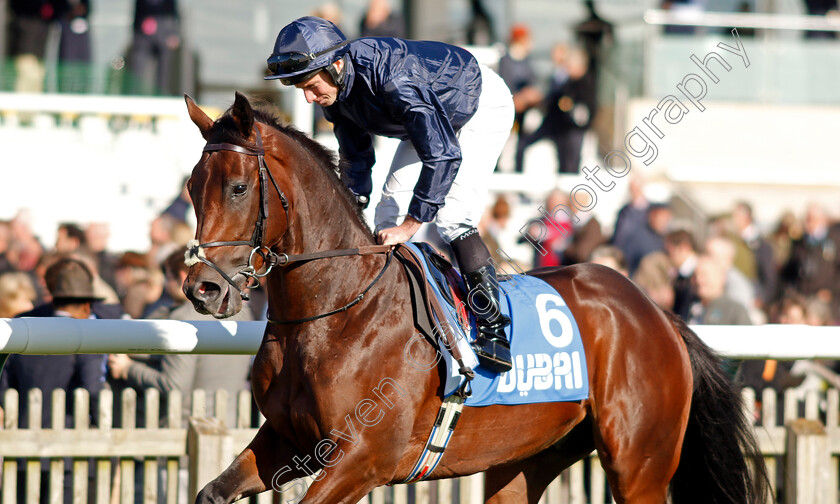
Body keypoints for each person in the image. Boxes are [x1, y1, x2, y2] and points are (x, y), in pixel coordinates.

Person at [265, 16, 515, 372]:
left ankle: (495, 332)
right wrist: (354, 206)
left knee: (452, 215)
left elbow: (443, 153)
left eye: (310, 85)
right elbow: (356, 156)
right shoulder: (334, 90)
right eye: (300, 88)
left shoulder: (392, 76)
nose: (308, 98)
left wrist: (412, 227)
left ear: (336, 65)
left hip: (479, 106)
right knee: (386, 215)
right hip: (432, 115)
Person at [0, 258, 106, 504]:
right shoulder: (88, 334)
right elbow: (93, 391)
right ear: (87, 305)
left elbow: (4, 383)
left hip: (22, 447)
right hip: (70, 452)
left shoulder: (22, 323)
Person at [514, 44, 596, 174]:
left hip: (570, 130)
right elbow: (554, 100)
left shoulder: (584, 82)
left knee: (569, 165)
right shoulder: (564, 80)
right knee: (524, 145)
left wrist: (568, 107)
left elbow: (581, 113)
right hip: (556, 126)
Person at [497, 23, 541, 169]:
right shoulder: (506, 60)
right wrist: (516, 98)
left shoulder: (527, 60)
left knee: (521, 144)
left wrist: (529, 95)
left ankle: (518, 168)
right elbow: (505, 82)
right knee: (501, 140)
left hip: (524, 109)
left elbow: (532, 81)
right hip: (510, 106)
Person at [128, 0, 181, 95]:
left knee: (164, 76)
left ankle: (162, 97)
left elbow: (173, 12)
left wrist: (174, 33)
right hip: (142, 37)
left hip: (164, 34)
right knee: (138, 71)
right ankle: (135, 96)